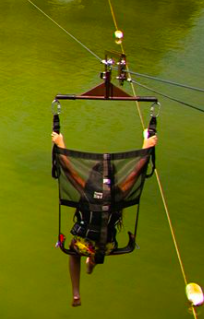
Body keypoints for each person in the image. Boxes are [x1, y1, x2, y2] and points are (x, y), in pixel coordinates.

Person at [52, 130, 158, 307]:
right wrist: (146, 147)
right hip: (108, 246)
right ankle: (93, 261)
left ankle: (76, 292)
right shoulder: (119, 193)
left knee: (73, 252)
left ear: (92, 177)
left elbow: (68, 170)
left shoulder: (85, 189)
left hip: (82, 245)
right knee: (100, 240)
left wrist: (60, 143)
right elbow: (136, 172)